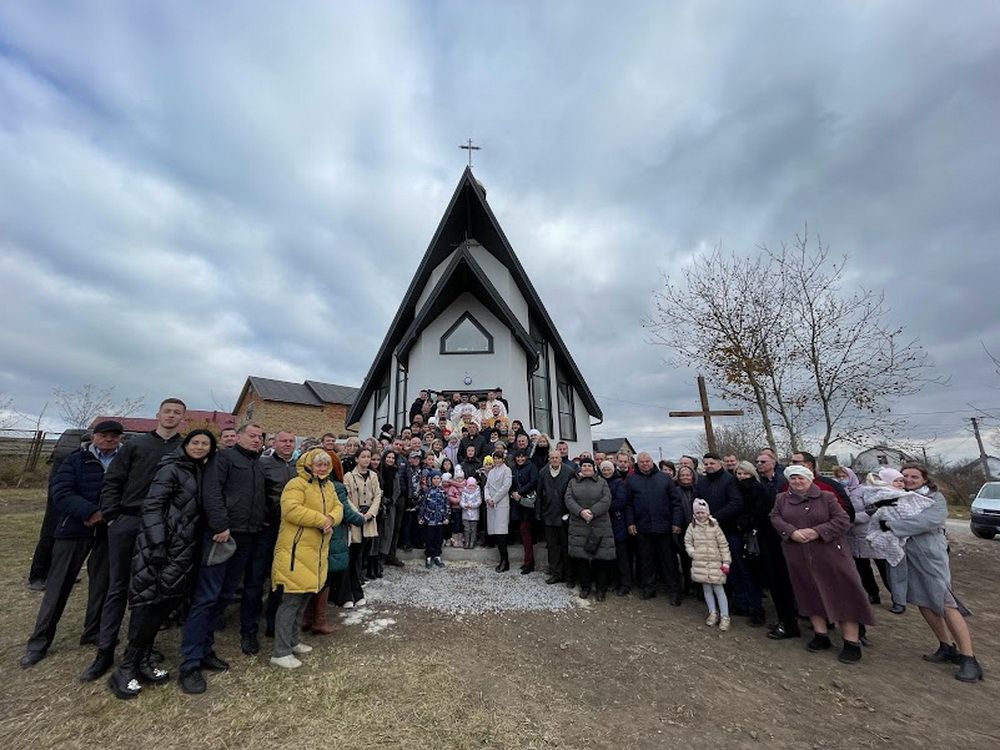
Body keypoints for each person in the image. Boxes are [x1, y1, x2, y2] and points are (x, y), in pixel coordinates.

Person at [105, 430, 217, 699]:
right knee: (148, 604)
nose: (200, 447)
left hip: (183, 548)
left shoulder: (198, 470)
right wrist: (157, 543)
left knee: (164, 602)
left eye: (205, 444)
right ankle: (126, 667)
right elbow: (153, 506)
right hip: (161, 547)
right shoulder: (172, 469)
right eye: (195, 442)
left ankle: (143, 660)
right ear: (186, 445)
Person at [82, 398, 186, 684]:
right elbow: (113, 480)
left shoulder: (183, 448)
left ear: (183, 418)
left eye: (177, 413)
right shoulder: (136, 446)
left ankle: (141, 650)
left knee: (151, 592)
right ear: (158, 414)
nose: (172, 416)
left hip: (163, 527)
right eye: (168, 411)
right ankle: (104, 650)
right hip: (129, 520)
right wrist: (114, 516)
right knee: (117, 587)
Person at [20, 421, 122, 669]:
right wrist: (89, 512)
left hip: (108, 529)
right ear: (94, 436)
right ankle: (39, 641)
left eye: (113, 436)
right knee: (59, 585)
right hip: (76, 527)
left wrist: (108, 514)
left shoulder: (124, 461)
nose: (108, 439)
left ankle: (93, 631)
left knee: (102, 584)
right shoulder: (75, 459)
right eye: (104, 435)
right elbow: (61, 492)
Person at [178, 422, 267, 694]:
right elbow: (211, 493)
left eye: (260, 437)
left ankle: (205, 650)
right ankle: (189, 663)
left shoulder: (257, 463)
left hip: (247, 536)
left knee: (225, 594)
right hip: (222, 537)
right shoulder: (224, 458)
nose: (257, 440)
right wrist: (219, 525)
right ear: (237, 437)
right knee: (207, 597)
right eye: (252, 436)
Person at [883, 465, 982, 682]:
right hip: (907, 555)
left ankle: (969, 658)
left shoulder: (935, 498)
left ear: (924, 478)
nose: (909, 479)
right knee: (923, 600)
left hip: (930, 554)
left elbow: (928, 521)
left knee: (945, 602)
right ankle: (946, 646)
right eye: (905, 476)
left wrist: (890, 524)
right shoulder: (897, 496)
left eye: (914, 476)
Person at [770, 465, 874, 664]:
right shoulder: (781, 499)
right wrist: (791, 532)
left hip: (829, 555)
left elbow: (843, 520)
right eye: (793, 479)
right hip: (798, 554)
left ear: (810, 480)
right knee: (809, 593)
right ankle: (820, 634)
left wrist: (817, 531)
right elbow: (775, 517)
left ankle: (851, 642)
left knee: (842, 595)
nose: (797, 482)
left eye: (801, 478)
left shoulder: (826, 497)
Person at [269, 449, 343, 669]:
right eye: (318, 465)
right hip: (296, 551)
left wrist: (331, 518)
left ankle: (293, 641)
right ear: (309, 465)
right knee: (291, 601)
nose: (322, 469)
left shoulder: (328, 486)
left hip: (316, 551)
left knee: (303, 598)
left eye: (325, 465)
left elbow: (337, 507)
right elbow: (291, 510)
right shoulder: (296, 484)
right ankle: (280, 651)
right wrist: (321, 520)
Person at [696, 453, 762, 624]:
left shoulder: (730, 480)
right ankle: (736, 603)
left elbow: (736, 503)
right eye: (706, 463)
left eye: (712, 462)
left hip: (730, 531)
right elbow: (698, 501)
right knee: (723, 571)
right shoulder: (702, 481)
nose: (709, 466)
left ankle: (754, 606)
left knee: (740, 568)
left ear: (720, 463)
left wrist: (715, 518)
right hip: (710, 534)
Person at [253, 430, 297, 646]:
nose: (287, 444)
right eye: (283, 441)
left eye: (291, 441)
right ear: (275, 443)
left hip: (290, 530)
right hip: (268, 528)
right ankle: (250, 627)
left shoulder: (299, 467)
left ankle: (273, 623)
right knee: (259, 576)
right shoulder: (263, 464)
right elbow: (256, 493)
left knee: (281, 578)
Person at [626, 452, 683, 604]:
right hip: (642, 527)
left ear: (652, 462)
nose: (645, 464)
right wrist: (630, 522)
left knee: (668, 561)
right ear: (637, 464)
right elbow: (629, 504)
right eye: (642, 462)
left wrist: (676, 522)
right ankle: (648, 588)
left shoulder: (664, 478)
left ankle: (674, 591)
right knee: (645, 560)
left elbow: (676, 502)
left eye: (647, 461)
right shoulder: (632, 480)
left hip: (664, 527)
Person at [754, 452, 798, 640]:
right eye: (757, 462)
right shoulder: (758, 483)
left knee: (790, 580)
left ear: (774, 462)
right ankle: (786, 621)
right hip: (767, 536)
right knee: (776, 581)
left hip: (787, 536)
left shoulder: (783, 483)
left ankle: (794, 620)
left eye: (763, 461)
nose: (759, 464)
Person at [565, 458, 614, 600]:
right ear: (580, 468)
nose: (586, 468)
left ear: (594, 468)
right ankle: (585, 587)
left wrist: (592, 512)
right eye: (584, 466)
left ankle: (601, 589)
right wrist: (581, 512)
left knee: (601, 559)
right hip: (579, 524)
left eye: (589, 465)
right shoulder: (573, 482)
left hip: (599, 523)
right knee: (582, 560)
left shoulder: (602, 482)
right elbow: (568, 499)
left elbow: (606, 499)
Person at [339, 448, 381, 607]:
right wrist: (356, 515)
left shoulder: (373, 476)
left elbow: (377, 496)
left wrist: (370, 514)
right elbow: (346, 497)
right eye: (363, 457)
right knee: (350, 556)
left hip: (368, 519)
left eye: (368, 457)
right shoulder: (349, 476)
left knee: (360, 555)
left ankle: (357, 592)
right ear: (356, 459)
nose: (366, 459)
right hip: (354, 519)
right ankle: (347, 594)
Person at [685, 498, 732, 631]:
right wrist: (692, 553)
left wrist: (726, 561)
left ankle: (725, 616)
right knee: (707, 589)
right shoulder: (691, 527)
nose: (701, 515)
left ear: (708, 513)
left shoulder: (715, 526)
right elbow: (688, 542)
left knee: (719, 589)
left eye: (703, 512)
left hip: (715, 563)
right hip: (700, 563)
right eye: (698, 513)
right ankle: (712, 612)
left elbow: (723, 545)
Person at [536, 450, 575, 585]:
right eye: (552, 458)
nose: (554, 460)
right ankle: (556, 573)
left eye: (557, 458)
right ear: (549, 459)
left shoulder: (569, 471)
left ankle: (569, 576)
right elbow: (539, 494)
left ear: (561, 459)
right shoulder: (543, 472)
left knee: (566, 547)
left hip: (564, 515)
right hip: (548, 515)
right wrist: (539, 513)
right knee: (552, 548)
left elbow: (572, 493)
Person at [601, 460, 631, 596]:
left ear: (613, 469)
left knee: (622, 555)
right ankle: (614, 581)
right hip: (604, 522)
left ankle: (625, 583)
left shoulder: (619, 483)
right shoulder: (600, 482)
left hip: (617, 521)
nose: (606, 472)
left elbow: (621, 500)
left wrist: (602, 508)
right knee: (609, 556)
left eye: (609, 469)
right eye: (604, 470)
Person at [510, 450, 539, 575]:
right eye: (518, 457)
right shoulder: (515, 469)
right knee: (524, 533)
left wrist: (520, 493)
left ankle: (530, 562)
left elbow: (533, 482)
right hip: (519, 503)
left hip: (528, 503)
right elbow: (513, 484)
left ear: (526, 457)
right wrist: (514, 493)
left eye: (522, 457)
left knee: (526, 533)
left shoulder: (531, 467)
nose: (520, 459)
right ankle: (528, 560)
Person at [484, 450, 512, 572]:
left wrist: (494, 499)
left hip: (501, 503)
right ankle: (502, 559)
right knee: (495, 533)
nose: (497, 461)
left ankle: (505, 561)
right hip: (491, 504)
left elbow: (506, 487)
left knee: (501, 534)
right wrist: (488, 498)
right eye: (495, 458)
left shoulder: (507, 470)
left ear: (503, 459)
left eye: (499, 458)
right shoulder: (491, 472)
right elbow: (486, 486)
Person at [674, 465, 697, 594]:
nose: (685, 477)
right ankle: (687, 584)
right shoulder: (676, 491)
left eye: (688, 475)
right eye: (682, 475)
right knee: (685, 558)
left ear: (692, 476)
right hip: (682, 528)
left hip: (698, 529)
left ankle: (698, 585)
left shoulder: (698, 490)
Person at [418, 470, 449, 568]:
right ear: (431, 480)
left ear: (440, 479)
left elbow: (446, 505)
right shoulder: (427, 491)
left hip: (439, 520)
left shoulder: (443, 492)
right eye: (434, 478)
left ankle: (437, 555)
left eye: (438, 478)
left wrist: (447, 517)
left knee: (438, 538)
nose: (436, 480)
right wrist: (421, 517)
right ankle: (428, 556)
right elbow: (423, 505)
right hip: (429, 519)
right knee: (429, 538)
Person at [460, 477, 482, 549]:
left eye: (473, 485)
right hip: (465, 514)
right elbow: (461, 502)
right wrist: (465, 505)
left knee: (473, 529)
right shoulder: (464, 492)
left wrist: (472, 505)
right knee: (466, 528)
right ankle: (467, 541)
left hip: (474, 514)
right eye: (470, 485)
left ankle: (472, 542)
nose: (471, 487)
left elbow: (479, 502)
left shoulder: (477, 492)